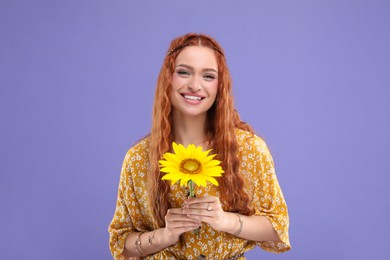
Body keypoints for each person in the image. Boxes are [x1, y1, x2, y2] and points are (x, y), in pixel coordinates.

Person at [108, 33, 291, 259]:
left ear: (220, 85)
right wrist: (165, 235)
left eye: (208, 76)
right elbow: (121, 243)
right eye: (184, 72)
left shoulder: (249, 150)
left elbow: (277, 227)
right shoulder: (138, 158)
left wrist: (226, 221)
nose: (195, 85)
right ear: (168, 78)